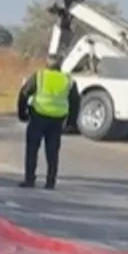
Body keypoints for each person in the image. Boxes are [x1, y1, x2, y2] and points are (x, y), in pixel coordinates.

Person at [16, 54, 80, 189]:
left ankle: (30, 179)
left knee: (32, 150)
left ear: (47, 64)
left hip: (38, 116)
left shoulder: (40, 76)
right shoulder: (67, 80)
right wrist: (71, 123)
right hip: (57, 119)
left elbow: (24, 93)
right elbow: (75, 102)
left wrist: (22, 113)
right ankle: (50, 182)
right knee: (52, 152)